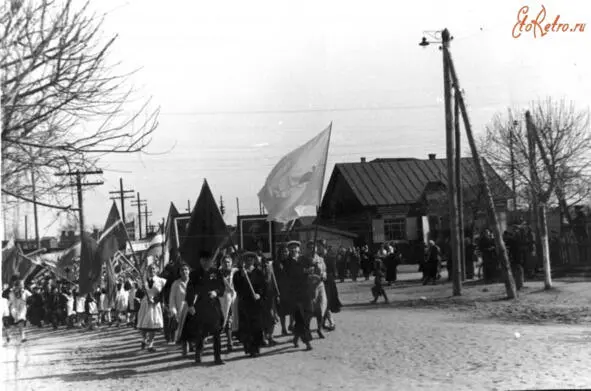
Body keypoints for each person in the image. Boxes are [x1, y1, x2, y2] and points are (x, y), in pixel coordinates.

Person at [182, 250, 226, 365]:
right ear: (200, 261)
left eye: (208, 260)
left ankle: (218, 357)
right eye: (203, 260)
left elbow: (222, 287)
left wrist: (216, 292)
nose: (206, 262)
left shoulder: (216, 272)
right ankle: (198, 355)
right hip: (201, 306)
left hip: (214, 306)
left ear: (212, 261)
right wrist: (190, 304)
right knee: (200, 333)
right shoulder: (194, 274)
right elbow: (190, 290)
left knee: (216, 332)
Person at [233, 252, 267, 357]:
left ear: (254, 260)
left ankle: (256, 347)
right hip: (245, 303)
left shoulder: (258, 272)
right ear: (244, 260)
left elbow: (264, 286)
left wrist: (259, 294)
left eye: (251, 258)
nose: (249, 260)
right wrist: (242, 277)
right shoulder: (238, 274)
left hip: (256, 303)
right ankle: (249, 348)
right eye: (247, 259)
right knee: (247, 327)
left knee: (257, 326)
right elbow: (237, 288)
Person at [286, 241, 313, 351]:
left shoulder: (304, 259)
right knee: (300, 317)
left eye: (295, 248)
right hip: (294, 294)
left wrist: (312, 267)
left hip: (306, 291)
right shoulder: (287, 262)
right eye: (291, 248)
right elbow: (291, 274)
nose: (293, 250)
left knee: (309, 313)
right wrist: (305, 271)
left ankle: (296, 335)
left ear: (299, 249)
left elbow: (312, 269)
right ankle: (307, 342)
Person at [136, 264, 166, 352]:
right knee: (144, 324)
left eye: (153, 268)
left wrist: (155, 300)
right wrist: (142, 292)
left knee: (153, 325)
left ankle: (150, 345)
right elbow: (139, 294)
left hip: (155, 305)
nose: (151, 270)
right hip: (145, 304)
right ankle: (143, 339)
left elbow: (162, 294)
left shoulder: (161, 281)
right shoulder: (142, 281)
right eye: (149, 269)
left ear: (157, 270)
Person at [318, 240, 341, 331]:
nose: (318, 248)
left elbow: (334, 271)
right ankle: (323, 323)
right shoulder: (318, 257)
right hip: (320, 282)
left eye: (320, 246)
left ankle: (331, 322)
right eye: (318, 246)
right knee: (322, 303)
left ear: (324, 247)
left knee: (326, 303)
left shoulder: (330, 257)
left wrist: (326, 274)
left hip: (329, 282)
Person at [170, 263, 191, 355]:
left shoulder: (193, 282)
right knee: (183, 328)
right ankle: (185, 346)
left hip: (192, 308)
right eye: (182, 270)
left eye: (186, 269)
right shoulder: (176, 283)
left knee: (193, 327)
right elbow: (172, 298)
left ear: (189, 271)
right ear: (179, 272)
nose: (184, 271)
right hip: (181, 309)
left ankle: (192, 344)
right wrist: (173, 310)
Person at [218, 256, 238, 353]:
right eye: (225, 262)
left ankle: (232, 340)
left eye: (228, 262)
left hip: (234, 299)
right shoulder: (218, 274)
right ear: (221, 264)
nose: (227, 264)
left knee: (233, 320)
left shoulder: (235, 272)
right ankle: (229, 342)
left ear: (232, 263)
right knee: (226, 321)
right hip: (223, 300)